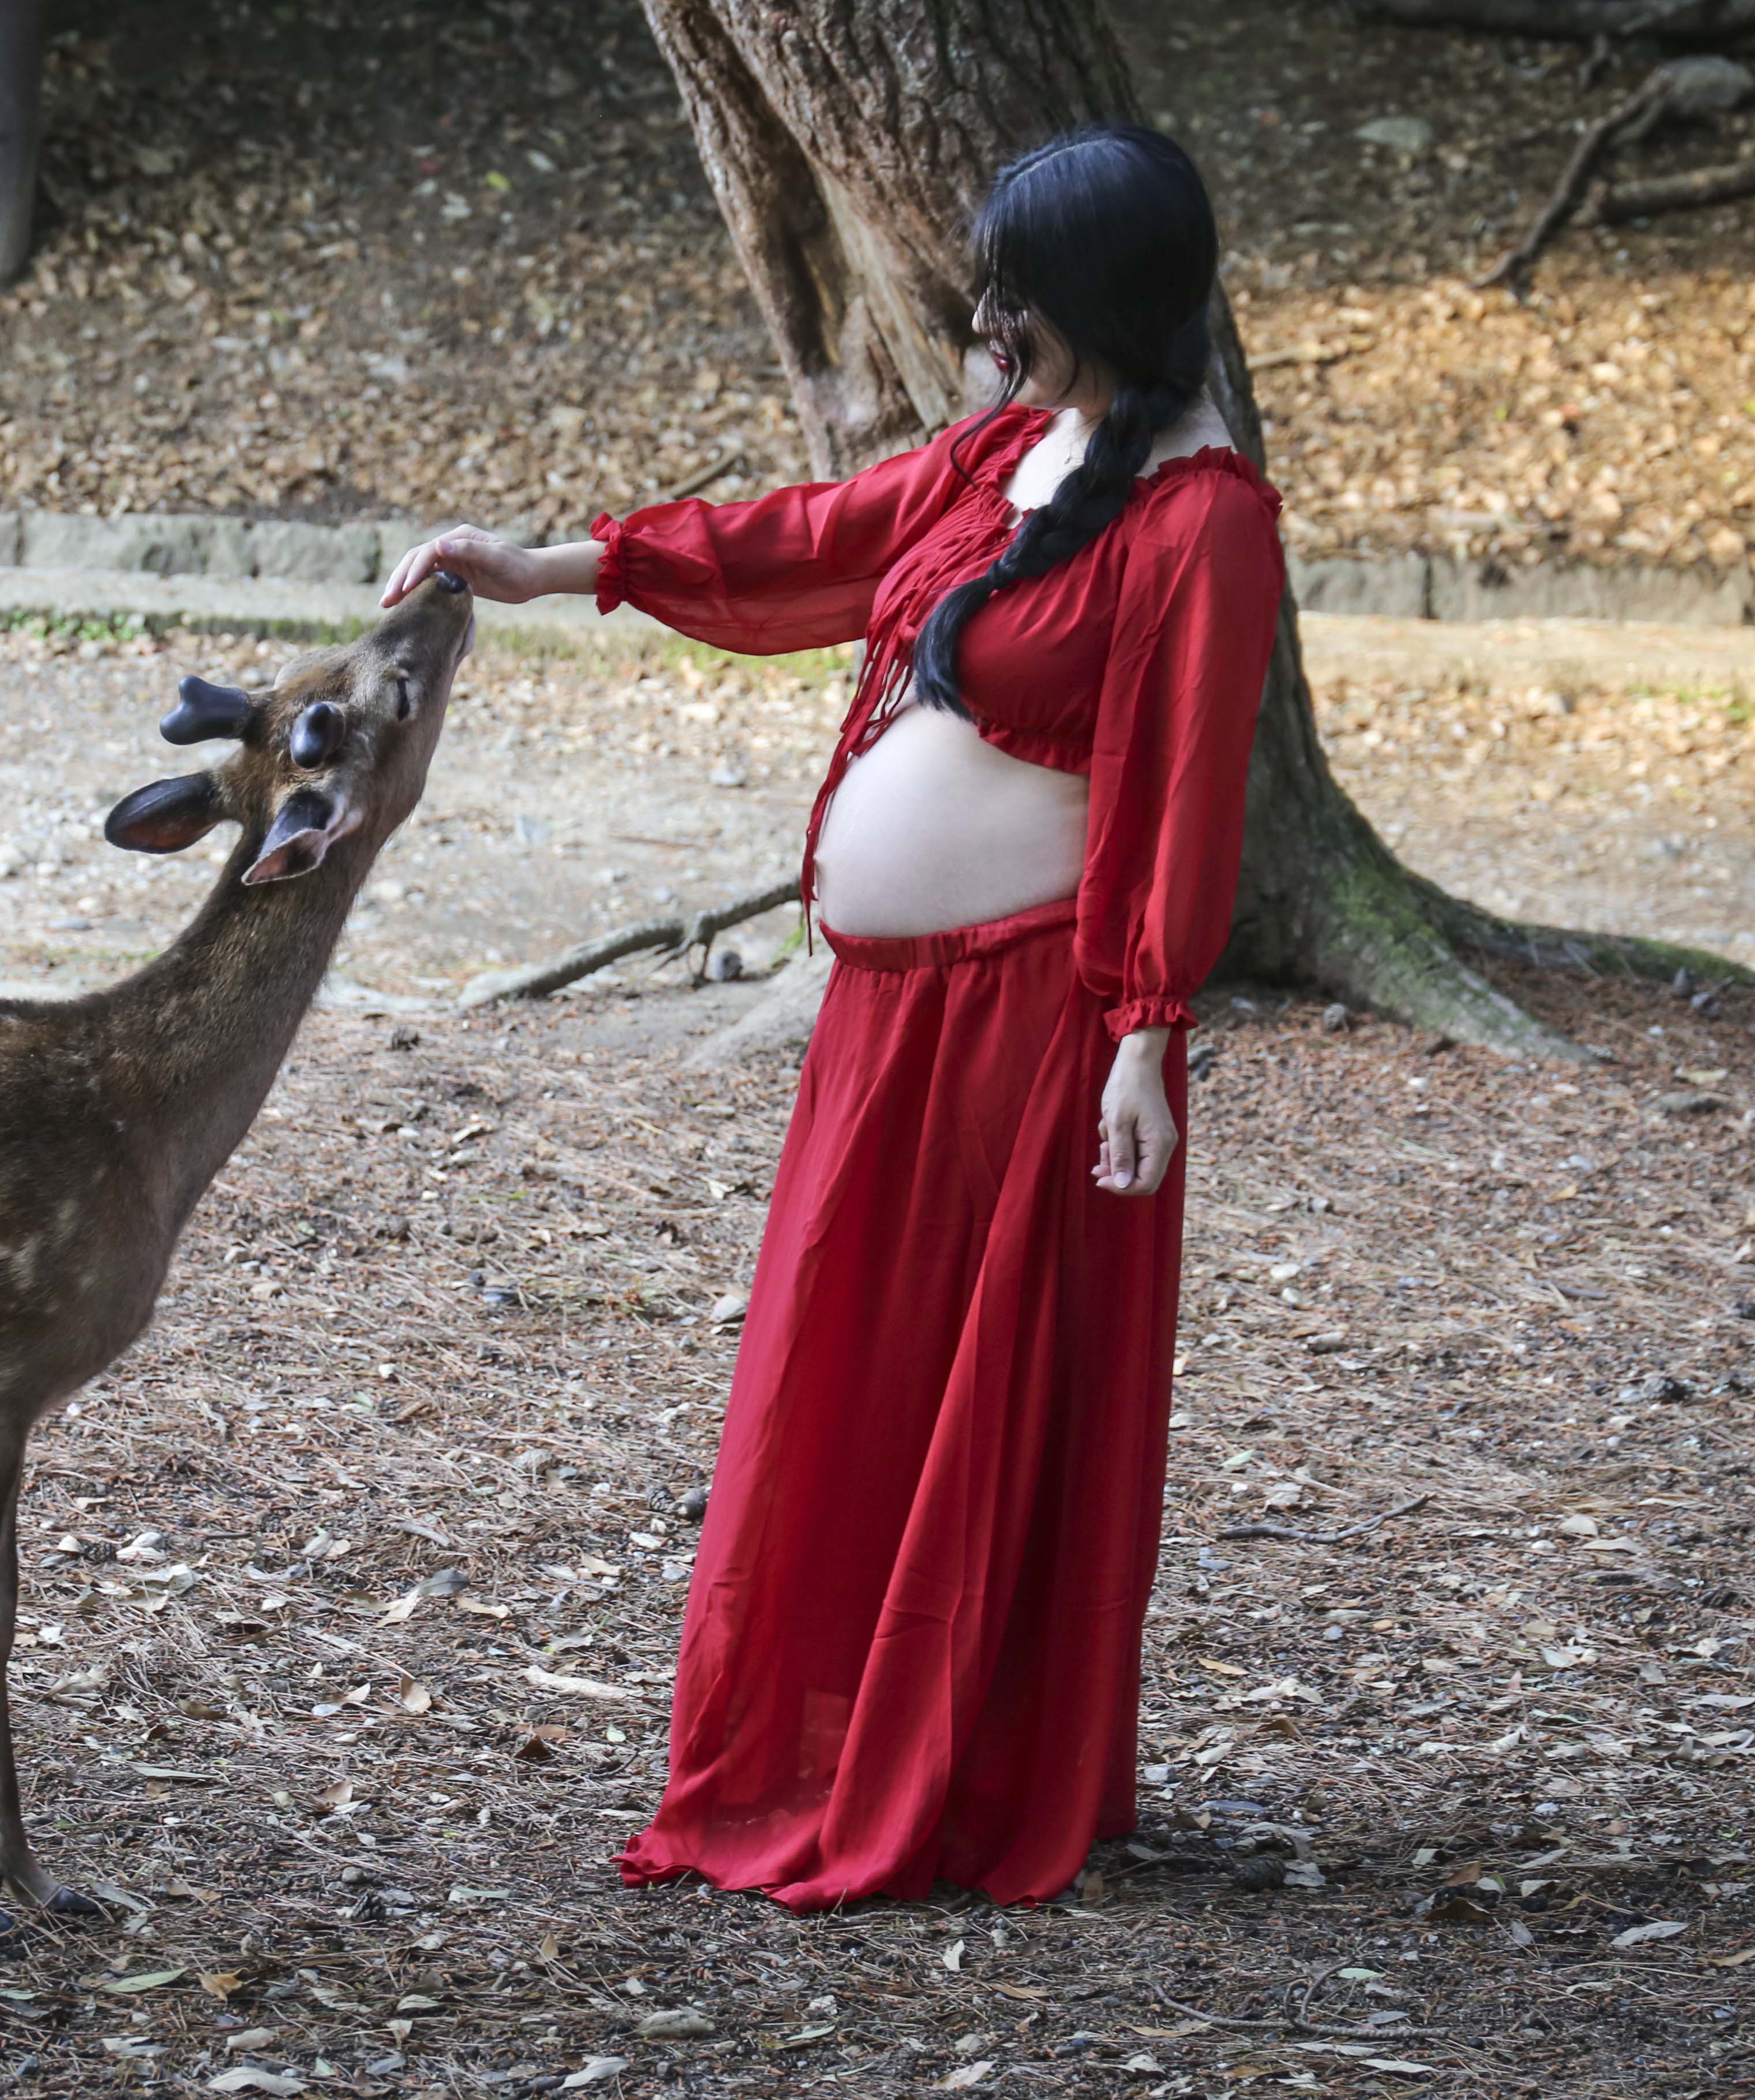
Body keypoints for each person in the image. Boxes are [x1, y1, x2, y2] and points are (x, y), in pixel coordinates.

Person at [381, 124, 1286, 1913]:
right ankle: (813, 1740)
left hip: (1030, 1033)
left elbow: (1184, 790)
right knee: (837, 1380)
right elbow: (807, 542)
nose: (987, 318)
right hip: (889, 1025)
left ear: (1095, 303)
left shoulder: (1203, 516)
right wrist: (546, 566)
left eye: (1015, 293)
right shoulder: (1006, 455)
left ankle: (950, 1771)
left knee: (975, 1400)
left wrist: (1140, 1037)